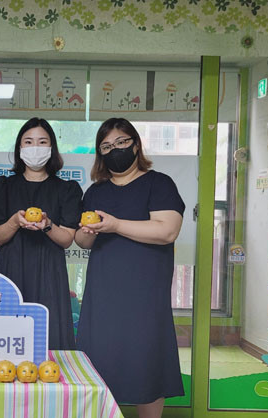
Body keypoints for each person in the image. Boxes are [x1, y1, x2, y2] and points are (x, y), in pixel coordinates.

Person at [75, 118, 185, 417]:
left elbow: (167, 231)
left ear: (135, 144)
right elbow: (83, 242)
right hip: (103, 291)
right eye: (106, 146)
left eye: (121, 142)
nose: (115, 150)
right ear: (100, 153)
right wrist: (87, 232)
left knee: (146, 362)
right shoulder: (95, 192)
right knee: (99, 360)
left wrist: (115, 225)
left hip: (145, 292)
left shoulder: (158, 183)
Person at [0, 118, 81, 350]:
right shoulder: (4, 185)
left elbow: (67, 239)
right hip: (11, 266)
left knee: (49, 336)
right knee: (6, 337)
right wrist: (15, 221)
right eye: (28, 142)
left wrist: (47, 225)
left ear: (52, 148)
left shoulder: (67, 189)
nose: (35, 147)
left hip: (49, 269)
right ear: (19, 148)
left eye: (42, 142)